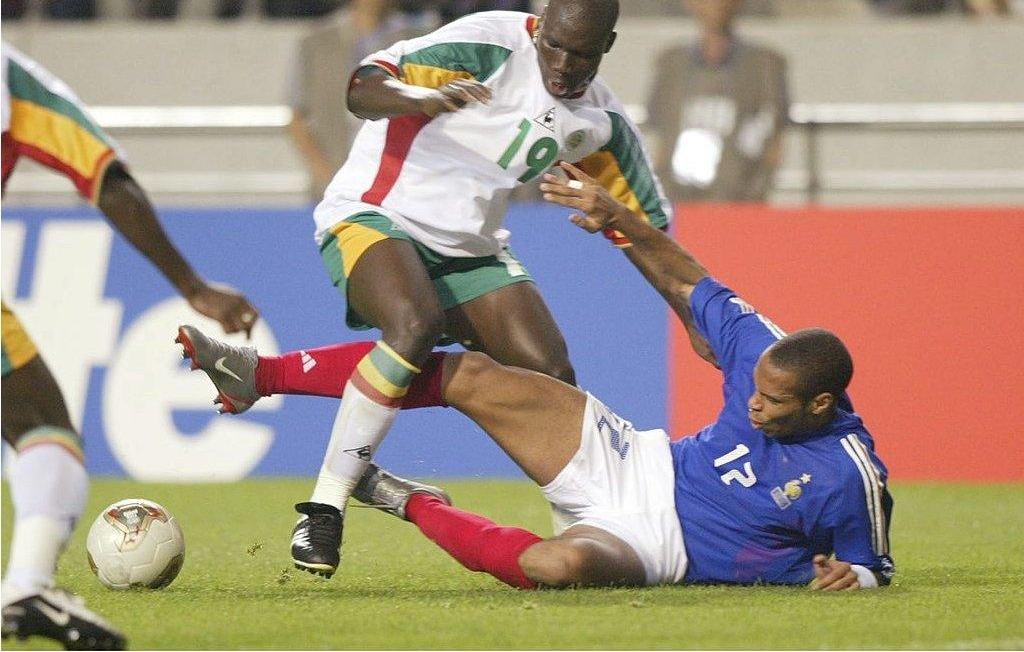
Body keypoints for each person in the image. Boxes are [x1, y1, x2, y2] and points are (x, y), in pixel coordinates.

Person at [181, 160, 892, 591]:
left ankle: (408, 500)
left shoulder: (848, 474)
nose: (755, 405)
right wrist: (620, 221)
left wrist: (851, 577)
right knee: (472, 373)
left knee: (555, 568)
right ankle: (259, 373)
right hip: (642, 463)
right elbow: (689, 282)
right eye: (755, 392)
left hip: (658, 548)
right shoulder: (763, 350)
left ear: (822, 404)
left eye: (771, 403)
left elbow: (871, 566)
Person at [184, 0, 670, 580]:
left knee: (552, 377)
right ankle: (325, 506)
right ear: (539, 27)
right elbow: (361, 89)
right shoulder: (487, 43)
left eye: (583, 54)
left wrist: (688, 307)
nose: (565, 66)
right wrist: (419, 100)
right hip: (373, 212)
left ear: (609, 46)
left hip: (471, 247)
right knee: (414, 325)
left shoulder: (600, 122)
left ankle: (574, 534)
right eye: (555, 47)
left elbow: (649, 229)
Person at [1, 42, 260, 650]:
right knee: (44, 428)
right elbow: (104, 175)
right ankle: (26, 586)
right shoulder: (11, 77)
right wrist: (192, 287)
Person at [286, 0, 433, 200]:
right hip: (333, 183)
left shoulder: (419, 41)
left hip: (400, 187)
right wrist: (327, 175)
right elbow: (296, 117)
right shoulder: (317, 41)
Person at [647, 0, 789, 202]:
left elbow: (774, 136)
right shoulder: (671, 63)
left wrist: (758, 192)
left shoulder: (765, 63)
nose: (718, 2)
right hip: (679, 200)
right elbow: (661, 134)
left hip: (740, 202)